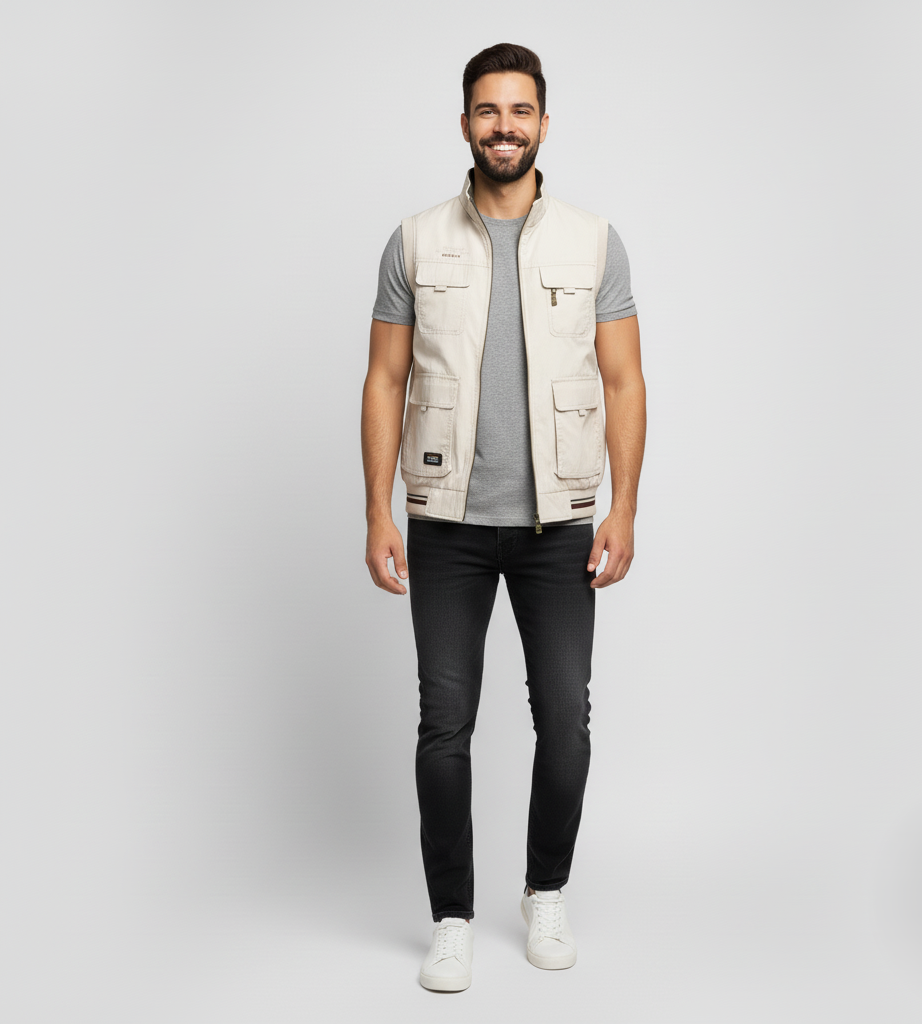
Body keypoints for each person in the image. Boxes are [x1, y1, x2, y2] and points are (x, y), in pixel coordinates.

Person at [360, 42, 646, 992]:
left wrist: (624, 508)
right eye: (488, 110)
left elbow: (624, 379)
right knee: (444, 724)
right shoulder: (414, 241)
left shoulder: (594, 242)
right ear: (465, 124)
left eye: (520, 110)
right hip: (444, 526)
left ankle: (545, 890)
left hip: (557, 528)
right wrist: (377, 512)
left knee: (565, 721)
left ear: (544, 124)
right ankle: (451, 915)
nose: (504, 126)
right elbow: (385, 379)